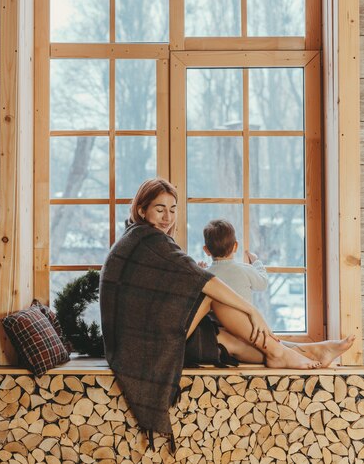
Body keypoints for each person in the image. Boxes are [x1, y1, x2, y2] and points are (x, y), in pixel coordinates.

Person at [99, 178, 355, 445]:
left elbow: (164, 291)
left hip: (141, 341)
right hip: (143, 346)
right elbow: (202, 281)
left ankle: (303, 351)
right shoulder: (148, 239)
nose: (167, 217)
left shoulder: (138, 238)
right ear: (142, 210)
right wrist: (251, 310)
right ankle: (282, 351)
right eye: (159, 209)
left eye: (173, 209)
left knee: (228, 340)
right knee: (210, 292)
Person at [201, 218, 268, 303]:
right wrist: (256, 262)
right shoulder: (246, 270)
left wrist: (200, 271)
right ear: (235, 246)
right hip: (242, 316)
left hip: (215, 316)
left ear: (206, 250)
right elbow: (263, 283)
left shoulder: (204, 277)